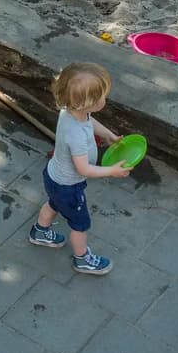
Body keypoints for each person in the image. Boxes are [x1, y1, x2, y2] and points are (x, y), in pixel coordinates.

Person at [28, 62, 131, 276]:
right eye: (103, 96)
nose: (105, 98)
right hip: (69, 187)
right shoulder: (75, 135)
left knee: (53, 203)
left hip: (54, 176)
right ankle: (82, 259)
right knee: (80, 224)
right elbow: (84, 169)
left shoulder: (71, 111)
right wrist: (111, 171)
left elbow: (91, 123)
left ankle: (39, 232)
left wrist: (108, 134)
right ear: (88, 103)